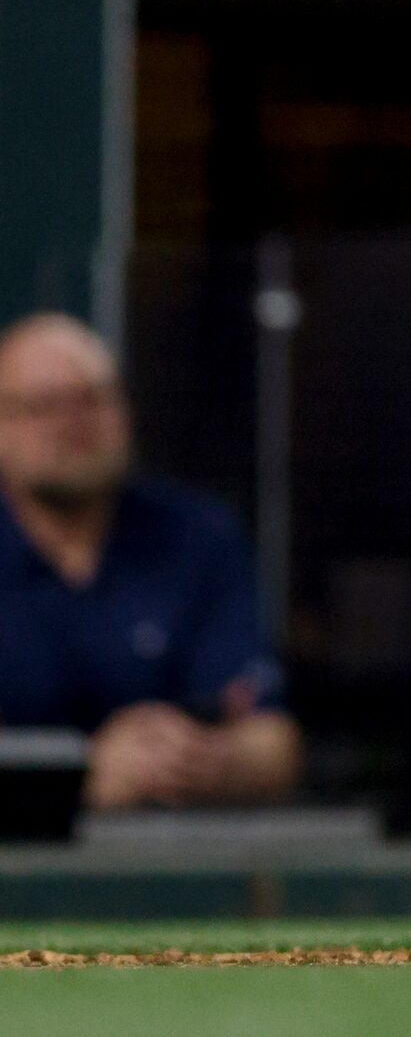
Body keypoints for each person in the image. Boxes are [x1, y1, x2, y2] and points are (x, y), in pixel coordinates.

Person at [0, 312, 300, 810]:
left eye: (94, 399)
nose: (75, 422)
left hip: (172, 854)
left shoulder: (196, 535)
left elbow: (274, 743)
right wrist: (86, 776)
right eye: (44, 405)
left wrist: (202, 760)